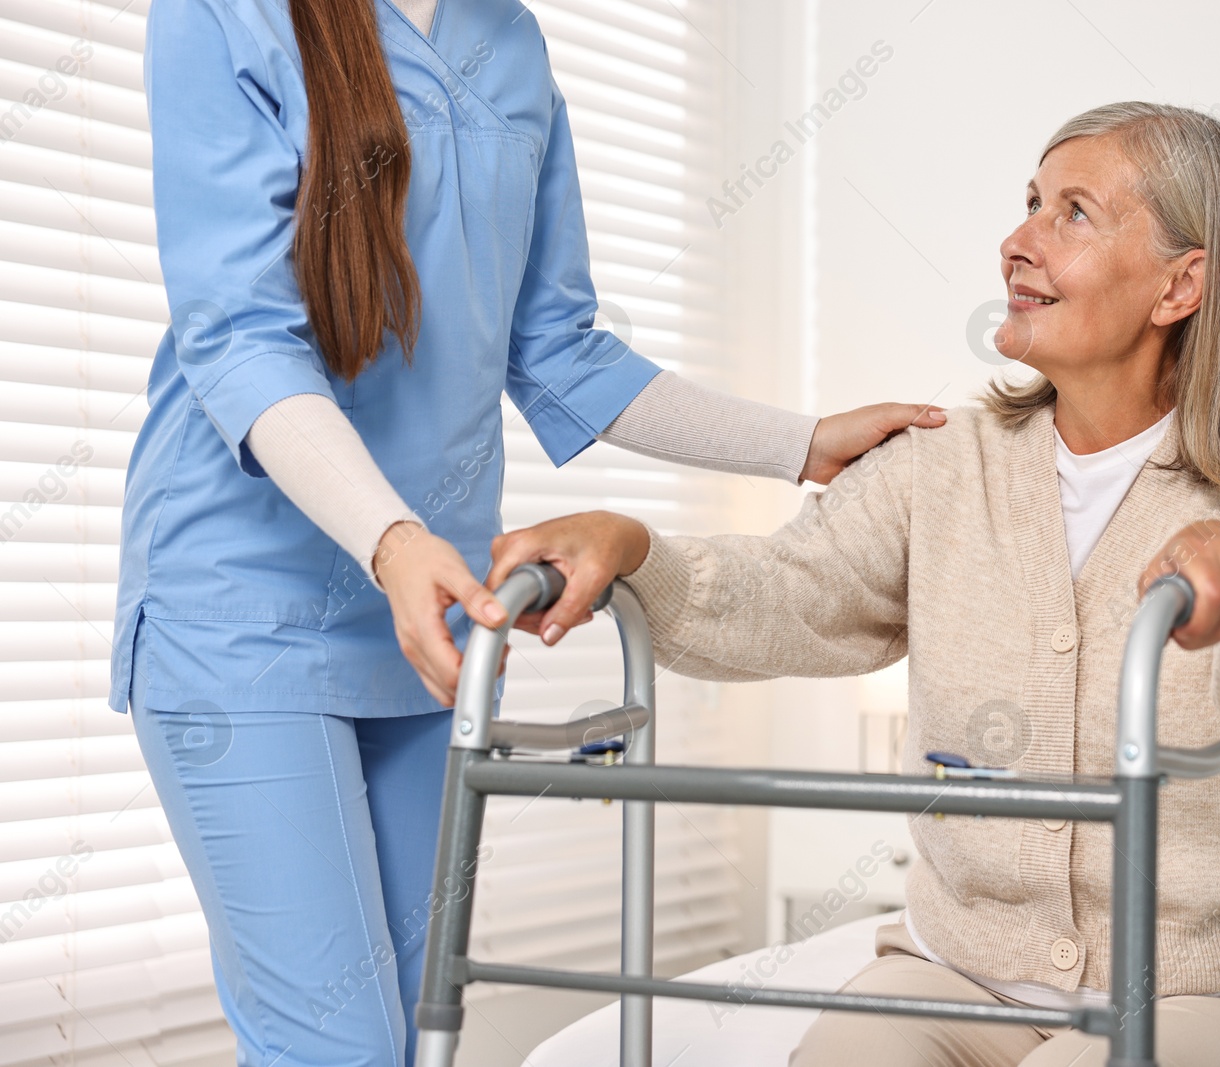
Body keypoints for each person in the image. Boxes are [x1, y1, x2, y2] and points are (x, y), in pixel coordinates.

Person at [490, 102, 1220, 1067]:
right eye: (1029, 204)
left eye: (1073, 214)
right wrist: (637, 546)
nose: (1018, 243)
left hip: (1216, 990)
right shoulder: (947, 462)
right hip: (956, 972)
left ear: (1180, 286)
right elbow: (789, 593)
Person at [113, 1, 943, 1064]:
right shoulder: (221, 18)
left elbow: (559, 343)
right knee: (337, 1047)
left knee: (422, 1035)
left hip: (438, 623)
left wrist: (803, 441)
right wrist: (392, 540)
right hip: (244, 610)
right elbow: (237, 338)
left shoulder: (506, 42)